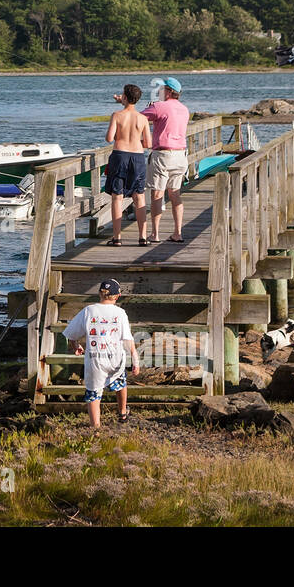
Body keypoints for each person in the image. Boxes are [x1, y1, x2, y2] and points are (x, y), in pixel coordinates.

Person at [62, 279, 139, 428]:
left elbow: (71, 334)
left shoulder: (89, 311)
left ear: (99, 294)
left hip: (95, 360)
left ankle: (96, 429)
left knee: (93, 394)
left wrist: (76, 346)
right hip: (115, 359)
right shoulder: (120, 313)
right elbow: (128, 339)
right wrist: (135, 361)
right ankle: (123, 413)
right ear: (118, 296)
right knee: (121, 383)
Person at [143, 76, 190, 243]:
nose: (159, 91)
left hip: (163, 155)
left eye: (162, 89)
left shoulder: (159, 106)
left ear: (169, 92)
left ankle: (155, 234)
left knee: (157, 194)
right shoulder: (184, 109)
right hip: (180, 155)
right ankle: (177, 233)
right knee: (175, 194)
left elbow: (137, 119)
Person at [103, 84, 151, 246]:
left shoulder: (117, 115)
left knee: (117, 196)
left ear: (124, 97)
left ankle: (117, 238)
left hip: (120, 155)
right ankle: (142, 237)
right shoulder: (143, 118)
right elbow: (149, 143)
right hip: (137, 157)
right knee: (139, 196)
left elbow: (109, 138)